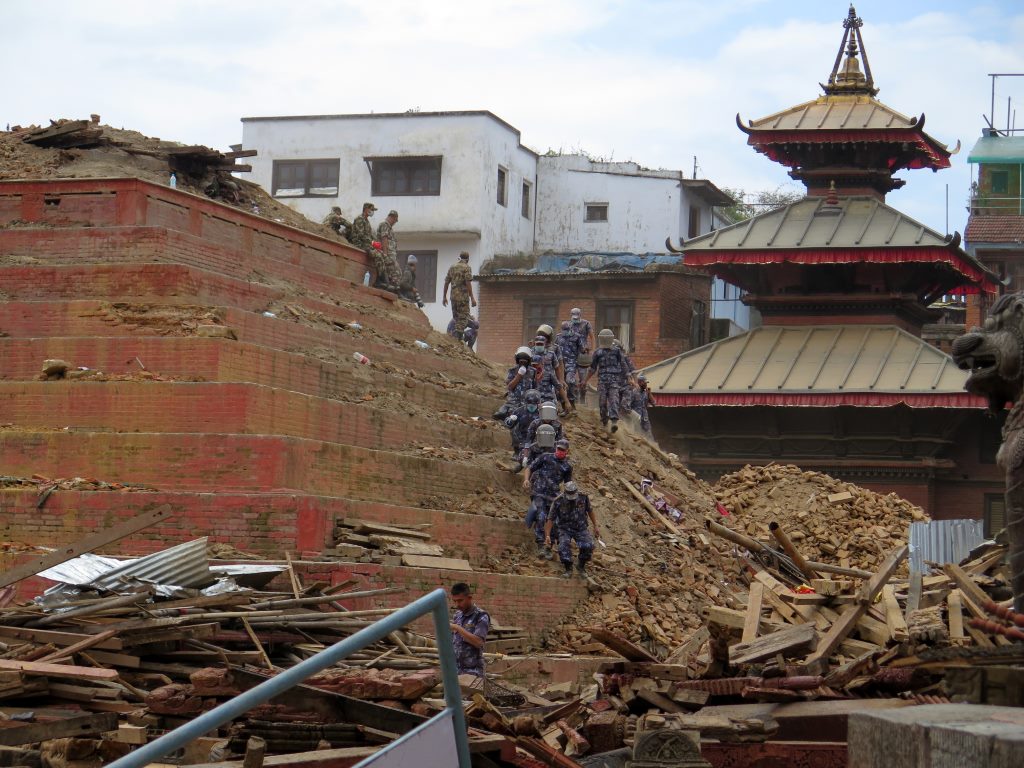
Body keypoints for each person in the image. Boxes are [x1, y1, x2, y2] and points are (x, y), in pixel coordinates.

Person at [523, 437, 573, 558]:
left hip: (553, 497)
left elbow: (568, 484)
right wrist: (526, 480)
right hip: (539, 492)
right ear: (556, 447)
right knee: (541, 516)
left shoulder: (567, 467)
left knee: (554, 522)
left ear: (567, 451)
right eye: (559, 449)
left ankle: (548, 546)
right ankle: (541, 544)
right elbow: (530, 468)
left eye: (563, 450)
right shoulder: (545, 457)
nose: (560, 451)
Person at [546, 481, 599, 579]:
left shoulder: (583, 497)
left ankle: (581, 566)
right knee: (563, 546)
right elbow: (550, 519)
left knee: (589, 545)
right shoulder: (558, 501)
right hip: (564, 528)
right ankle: (568, 568)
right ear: (565, 493)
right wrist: (548, 535)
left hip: (580, 528)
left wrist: (595, 526)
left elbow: (590, 510)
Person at [582, 329, 630, 432]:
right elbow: (593, 368)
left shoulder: (617, 351)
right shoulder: (598, 352)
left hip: (614, 381)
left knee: (614, 400)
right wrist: (585, 380)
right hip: (602, 381)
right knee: (602, 403)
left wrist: (629, 378)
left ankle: (614, 422)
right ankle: (604, 421)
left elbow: (623, 365)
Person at [449, 582, 489, 678]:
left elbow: (478, 642)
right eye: (455, 601)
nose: (457, 604)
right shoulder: (457, 615)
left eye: (460, 601)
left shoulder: (481, 616)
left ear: (469, 598)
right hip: (456, 671)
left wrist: (457, 628)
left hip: (473, 672)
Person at [496, 347, 538, 420]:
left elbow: (535, 388)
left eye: (525, 362)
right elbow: (510, 387)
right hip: (513, 404)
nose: (523, 364)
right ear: (517, 361)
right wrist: (519, 375)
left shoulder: (533, 371)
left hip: (527, 404)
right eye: (521, 362)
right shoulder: (512, 371)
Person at [442, 251, 476, 342]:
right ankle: (458, 340)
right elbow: (468, 282)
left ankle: (456, 339)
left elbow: (446, 282)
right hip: (462, 298)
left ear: (460, 257)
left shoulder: (452, 267)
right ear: (468, 259)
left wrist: (444, 297)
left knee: (456, 318)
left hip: (453, 297)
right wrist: (472, 297)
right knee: (463, 318)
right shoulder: (467, 267)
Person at [505, 389, 541, 464]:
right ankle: (516, 452)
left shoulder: (541, 412)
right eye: (529, 403)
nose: (532, 405)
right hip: (521, 436)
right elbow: (508, 424)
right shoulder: (519, 411)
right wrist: (511, 420)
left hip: (535, 437)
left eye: (534, 403)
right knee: (513, 429)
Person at [522, 400, 563, 466]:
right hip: (536, 449)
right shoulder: (535, 423)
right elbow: (528, 440)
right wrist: (525, 457)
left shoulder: (558, 425)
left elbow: (559, 441)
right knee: (524, 458)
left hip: (551, 450)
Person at [555, 321, 583, 407]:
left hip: (571, 363)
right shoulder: (558, 337)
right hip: (560, 364)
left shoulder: (577, 337)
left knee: (569, 381)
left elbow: (581, 350)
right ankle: (563, 405)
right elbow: (554, 350)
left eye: (566, 330)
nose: (564, 331)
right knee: (560, 383)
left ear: (571, 329)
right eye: (563, 329)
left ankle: (572, 403)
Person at [376, 210, 404, 289]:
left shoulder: (389, 228)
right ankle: (393, 288)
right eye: (395, 220)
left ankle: (394, 288)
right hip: (387, 254)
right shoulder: (384, 225)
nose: (395, 222)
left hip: (391, 255)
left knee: (397, 272)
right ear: (392, 217)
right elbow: (384, 238)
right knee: (396, 272)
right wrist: (385, 253)